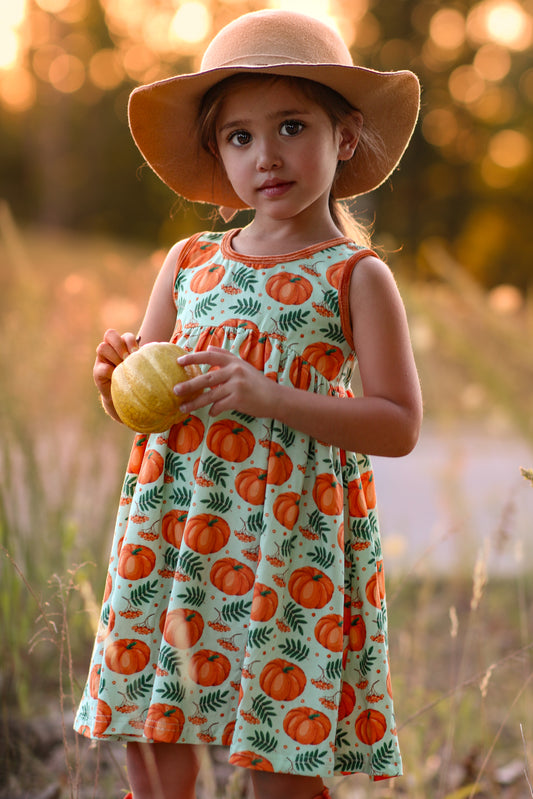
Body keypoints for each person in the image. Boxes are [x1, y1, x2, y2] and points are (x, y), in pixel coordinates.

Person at [74, 9, 423, 799]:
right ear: (216, 152)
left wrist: (271, 396)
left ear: (345, 135)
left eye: (291, 126)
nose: (265, 155)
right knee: (153, 727)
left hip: (287, 541)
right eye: (238, 136)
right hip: (173, 528)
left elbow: (398, 422)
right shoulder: (188, 261)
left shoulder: (354, 275)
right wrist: (117, 383)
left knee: (278, 737)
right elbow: (153, 402)